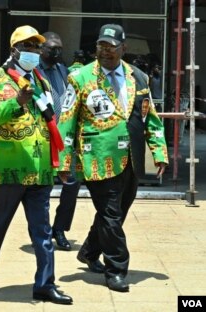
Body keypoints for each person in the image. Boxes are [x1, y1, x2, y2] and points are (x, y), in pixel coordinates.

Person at [57, 24, 169, 292]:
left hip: (132, 157)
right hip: (97, 157)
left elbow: (150, 117)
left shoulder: (138, 77)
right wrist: (63, 160)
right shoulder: (80, 77)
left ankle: (88, 251)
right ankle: (116, 268)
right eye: (101, 46)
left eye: (111, 46)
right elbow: (66, 120)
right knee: (110, 213)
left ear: (123, 48)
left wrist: (159, 151)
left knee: (118, 212)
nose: (105, 51)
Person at [0, 25, 72, 305]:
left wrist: (58, 161)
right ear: (14, 49)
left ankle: (44, 284)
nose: (34, 51)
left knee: (43, 231)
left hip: (39, 169)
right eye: (27, 46)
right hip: (8, 168)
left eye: (36, 47)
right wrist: (15, 102)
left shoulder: (41, 81)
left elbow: (50, 125)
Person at [37, 31, 80, 251]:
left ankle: (60, 229)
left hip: (64, 138)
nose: (57, 52)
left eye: (60, 48)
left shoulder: (64, 70)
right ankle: (41, 232)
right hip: (42, 137)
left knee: (72, 183)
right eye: (52, 48)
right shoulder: (33, 72)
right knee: (42, 187)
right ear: (41, 49)